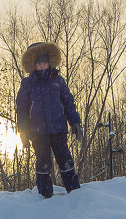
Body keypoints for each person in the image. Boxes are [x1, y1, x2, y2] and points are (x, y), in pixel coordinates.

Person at [15, 41, 83, 198]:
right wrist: (23, 131)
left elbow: (68, 103)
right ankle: (45, 196)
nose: (42, 65)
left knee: (65, 160)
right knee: (43, 162)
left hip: (58, 129)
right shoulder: (28, 84)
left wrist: (75, 123)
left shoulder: (57, 81)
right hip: (38, 132)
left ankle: (75, 193)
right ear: (33, 65)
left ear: (49, 62)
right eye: (38, 63)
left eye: (44, 62)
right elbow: (22, 109)